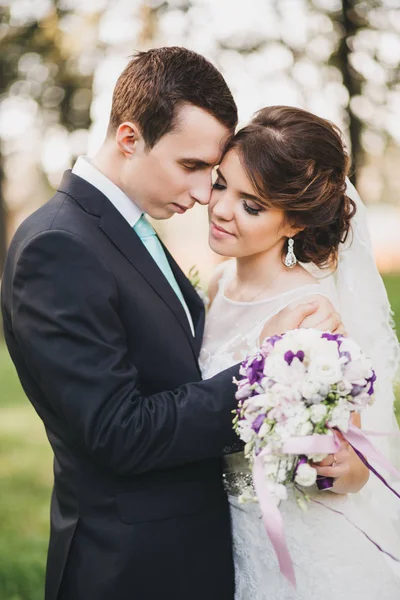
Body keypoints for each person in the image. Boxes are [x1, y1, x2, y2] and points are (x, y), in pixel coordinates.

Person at [0, 49, 342, 600]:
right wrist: (265, 365)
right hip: (131, 570)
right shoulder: (59, 246)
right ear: (130, 138)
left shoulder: (125, 224)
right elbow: (120, 433)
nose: (209, 193)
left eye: (214, 170)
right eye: (192, 167)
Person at [200, 105, 400, 599]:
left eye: (252, 205)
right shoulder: (215, 285)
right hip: (213, 532)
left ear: (292, 222)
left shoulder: (313, 314)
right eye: (221, 183)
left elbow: (353, 467)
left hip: (293, 542)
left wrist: (330, 467)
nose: (222, 208)